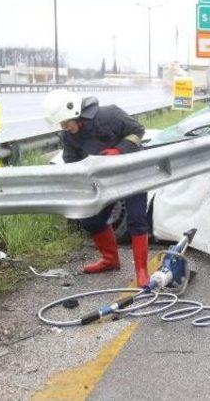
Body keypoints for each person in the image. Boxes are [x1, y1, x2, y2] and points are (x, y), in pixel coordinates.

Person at [43, 90, 150, 286]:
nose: (64, 127)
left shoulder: (110, 114)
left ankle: (142, 271)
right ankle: (110, 260)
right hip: (104, 180)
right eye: (61, 125)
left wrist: (119, 149)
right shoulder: (68, 136)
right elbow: (71, 161)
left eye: (66, 122)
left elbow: (138, 131)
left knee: (137, 220)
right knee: (90, 219)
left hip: (133, 173)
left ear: (74, 112)